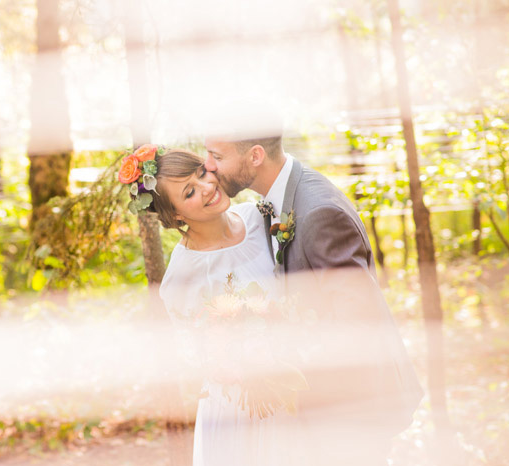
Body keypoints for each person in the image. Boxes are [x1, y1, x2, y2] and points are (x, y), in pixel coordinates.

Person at [203, 133, 424, 465]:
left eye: (217, 156)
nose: (208, 166)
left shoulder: (319, 213)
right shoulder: (276, 201)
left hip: (350, 413)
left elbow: (357, 326)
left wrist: (271, 360)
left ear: (256, 156)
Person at [118, 144, 306, 465]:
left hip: (294, 389)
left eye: (202, 173)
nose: (208, 187)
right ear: (175, 214)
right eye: (190, 191)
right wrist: (236, 355)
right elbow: (192, 354)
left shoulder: (260, 216)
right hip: (239, 408)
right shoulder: (183, 275)